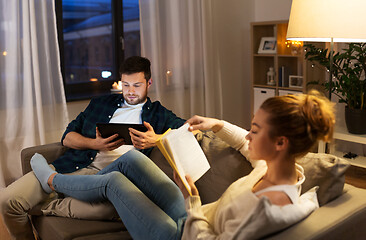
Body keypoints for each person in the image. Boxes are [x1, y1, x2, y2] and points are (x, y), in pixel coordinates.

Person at [30, 91, 335, 239]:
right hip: (192, 214)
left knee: (113, 183)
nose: (249, 133)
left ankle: (53, 182)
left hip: (180, 235)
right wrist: (216, 124)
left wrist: (191, 200)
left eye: (256, 129)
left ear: (280, 142)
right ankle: (78, 187)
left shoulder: (267, 207)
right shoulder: (283, 170)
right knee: (131, 158)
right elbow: (244, 143)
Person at [0, 56, 186, 240]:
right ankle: (58, 185)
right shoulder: (100, 104)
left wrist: (156, 139)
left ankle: (49, 200)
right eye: (125, 84)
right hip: (73, 167)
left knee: (114, 207)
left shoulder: (159, 114)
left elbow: (189, 130)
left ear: (149, 83)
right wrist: (94, 144)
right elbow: (67, 137)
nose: (130, 91)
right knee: (7, 201)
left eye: (137, 85)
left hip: (110, 180)